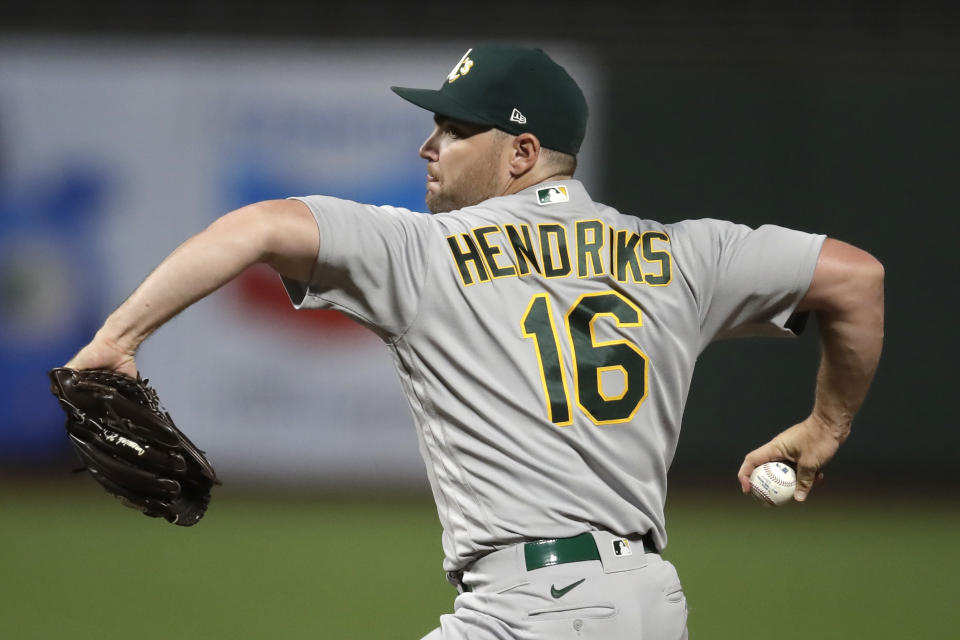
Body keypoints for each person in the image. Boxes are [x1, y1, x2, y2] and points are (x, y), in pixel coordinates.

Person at [65, 44, 885, 639]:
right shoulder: (683, 253)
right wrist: (826, 428)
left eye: (455, 130)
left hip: (532, 609)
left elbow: (256, 227)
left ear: (522, 152)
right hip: (650, 602)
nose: (428, 147)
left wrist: (116, 340)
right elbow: (856, 279)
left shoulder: (427, 251)